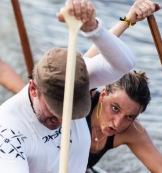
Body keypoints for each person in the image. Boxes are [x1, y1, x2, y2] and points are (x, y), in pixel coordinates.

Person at [0, 0, 136, 173]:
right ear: (34, 88)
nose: (64, 119)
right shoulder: (7, 132)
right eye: (56, 108)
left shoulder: (76, 79)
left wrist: (94, 30)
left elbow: (124, 64)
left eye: (70, 108)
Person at [85, 0, 162, 172]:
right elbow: (87, 60)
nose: (118, 123)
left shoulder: (131, 131)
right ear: (103, 94)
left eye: (130, 117)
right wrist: (128, 20)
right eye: (115, 108)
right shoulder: (81, 102)